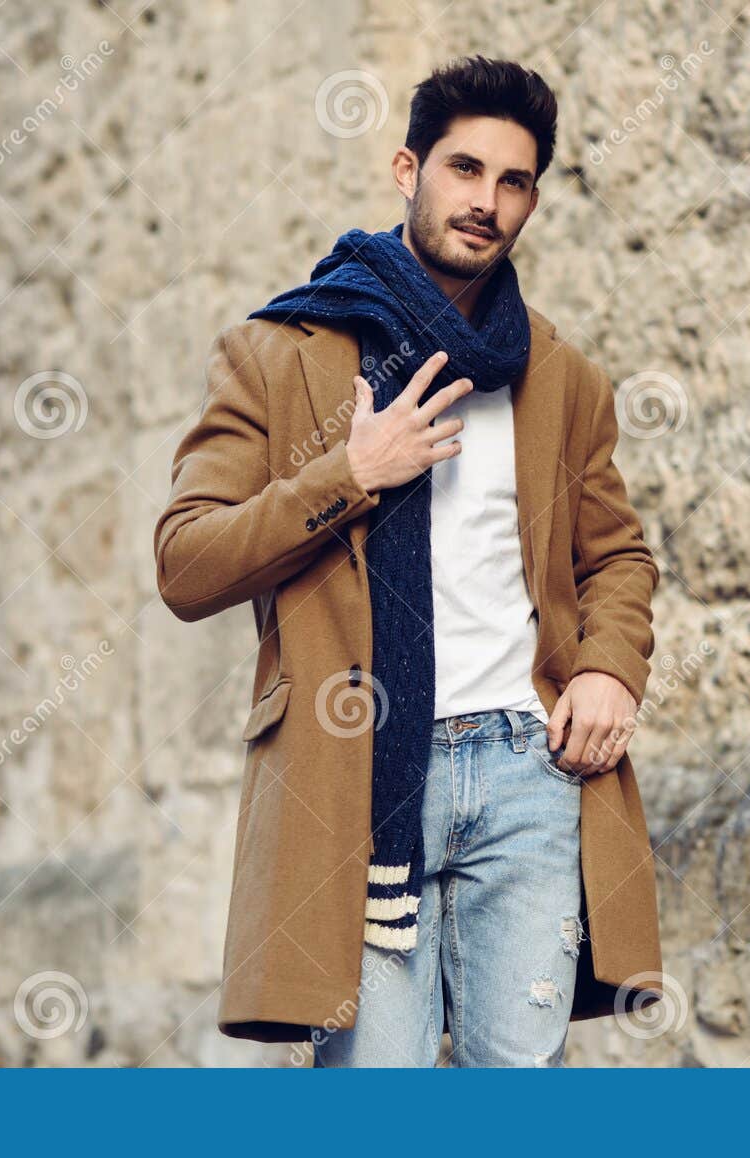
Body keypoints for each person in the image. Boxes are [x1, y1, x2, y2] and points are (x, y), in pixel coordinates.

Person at [153, 55, 664, 1067]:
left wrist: (610, 666)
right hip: (360, 780)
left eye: (513, 182)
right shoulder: (279, 351)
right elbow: (186, 562)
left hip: (529, 769)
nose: (485, 201)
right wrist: (350, 471)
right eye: (463, 169)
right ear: (407, 170)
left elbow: (615, 556)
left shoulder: (558, 375)